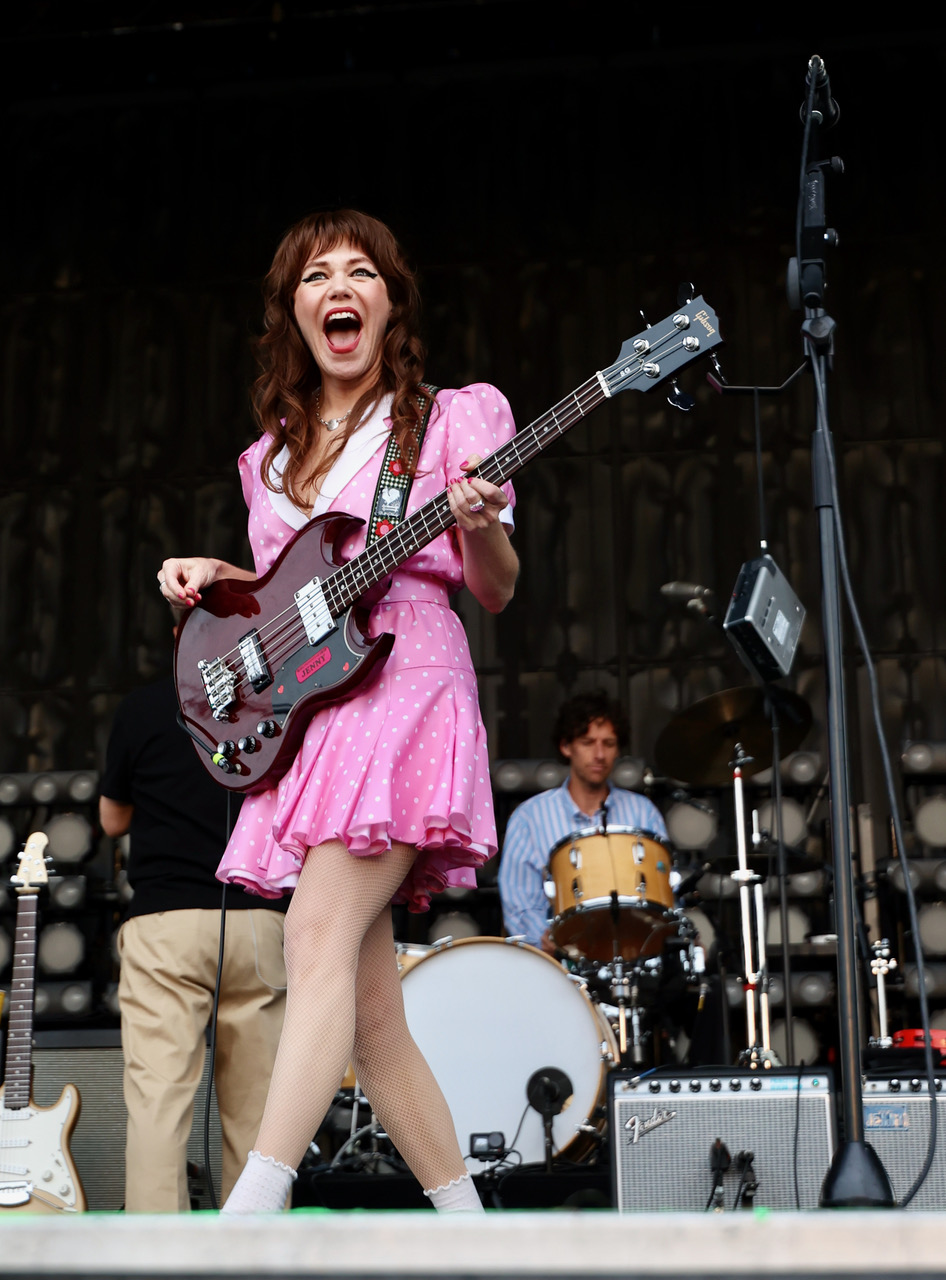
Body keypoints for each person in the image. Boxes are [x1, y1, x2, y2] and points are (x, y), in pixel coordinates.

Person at [158, 209, 518, 1214]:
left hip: (408, 683)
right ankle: (474, 1233)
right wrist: (216, 577)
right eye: (316, 276)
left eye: (362, 272)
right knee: (371, 1017)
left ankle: (253, 1206)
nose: (340, 288)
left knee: (311, 934)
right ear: (294, 311)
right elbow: (288, 599)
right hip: (319, 711)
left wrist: (481, 526)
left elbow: (495, 587)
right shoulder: (266, 458)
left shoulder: (445, 421)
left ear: (389, 305)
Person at [99, 670, 288, 1212]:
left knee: (158, 1100)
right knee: (260, 1110)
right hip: (259, 920)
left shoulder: (143, 706)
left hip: (166, 924)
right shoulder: (279, 700)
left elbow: (112, 820)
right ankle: (257, 1248)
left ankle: (159, 1250)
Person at [498, 690, 668, 952]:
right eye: (588, 742)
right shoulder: (530, 817)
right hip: (558, 963)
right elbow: (519, 902)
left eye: (609, 743)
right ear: (566, 746)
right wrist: (545, 938)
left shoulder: (643, 812)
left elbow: (664, 894)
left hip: (635, 954)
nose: (599, 754)